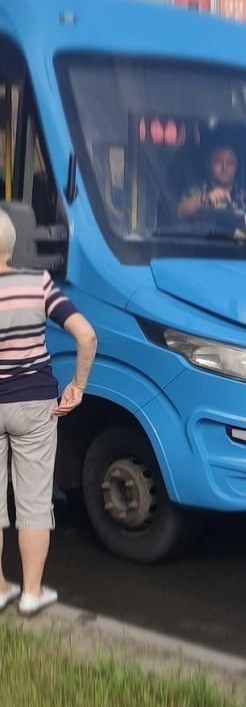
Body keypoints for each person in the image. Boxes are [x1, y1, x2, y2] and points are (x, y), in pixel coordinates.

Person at [0, 211, 97, 616]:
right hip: (35, 403)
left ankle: (1, 587)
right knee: (34, 502)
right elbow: (87, 334)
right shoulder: (36, 282)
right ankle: (31, 593)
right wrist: (78, 385)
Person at [176, 142, 246, 219]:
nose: (225, 168)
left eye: (230, 163)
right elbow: (181, 212)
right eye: (219, 162)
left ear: (236, 166)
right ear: (207, 164)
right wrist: (206, 199)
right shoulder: (195, 191)